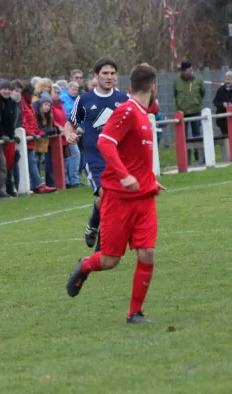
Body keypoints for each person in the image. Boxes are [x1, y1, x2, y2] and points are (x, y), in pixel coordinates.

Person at [66, 63, 166, 324]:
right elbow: (105, 143)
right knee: (110, 260)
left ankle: (134, 313)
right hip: (119, 199)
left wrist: (149, 181)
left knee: (147, 254)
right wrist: (125, 176)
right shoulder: (127, 111)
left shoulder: (143, 112)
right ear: (153, 88)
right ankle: (85, 266)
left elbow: (137, 157)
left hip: (144, 199)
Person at [65, 57, 129, 250]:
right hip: (95, 159)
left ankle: (93, 224)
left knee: (108, 200)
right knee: (109, 197)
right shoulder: (84, 100)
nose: (109, 77)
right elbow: (71, 123)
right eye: (105, 74)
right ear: (96, 76)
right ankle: (102, 249)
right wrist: (69, 134)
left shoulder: (123, 100)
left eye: (112, 74)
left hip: (117, 160)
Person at [174, 61, 205, 164]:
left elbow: (202, 92)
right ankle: (186, 159)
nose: (190, 73)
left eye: (191, 70)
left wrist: (196, 102)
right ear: (182, 71)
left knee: (197, 134)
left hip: (196, 111)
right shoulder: (177, 81)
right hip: (182, 113)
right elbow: (175, 94)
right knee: (183, 136)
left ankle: (199, 157)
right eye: (188, 71)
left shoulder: (198, 79)